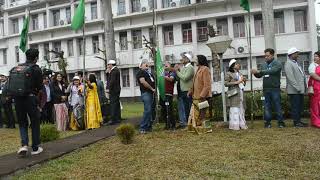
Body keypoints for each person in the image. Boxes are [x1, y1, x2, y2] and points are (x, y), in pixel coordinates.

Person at [15, 48, 43, 156]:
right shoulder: (36, 69)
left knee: (22, 123)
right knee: (35, 122)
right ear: (36, 58)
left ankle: (24, 145)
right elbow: (40, 87)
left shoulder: (19, 67)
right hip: (30, 98)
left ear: (26, 57)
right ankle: (35, 147)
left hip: (18, 99)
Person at [251, 48, 285, 128]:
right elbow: (259, 75)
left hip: (275, 89)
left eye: (267, 56)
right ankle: (267, 123)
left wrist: (260, 71)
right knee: (266, 106)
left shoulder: (277, 63)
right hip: (266, 89)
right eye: (265, 56)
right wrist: (255, 73)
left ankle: (280, 122)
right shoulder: (263, 65)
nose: (266, 57)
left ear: (272, 55)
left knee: (277, 105)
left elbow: (273, 71)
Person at [187, 55, 212, 132]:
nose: (195, 61)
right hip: (196, 96)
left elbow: (207, 85)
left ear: (200, 60)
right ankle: (197, 128)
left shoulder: (205, 69)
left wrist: (202, 95)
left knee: (203, 114)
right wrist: (190, 91)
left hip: (202, 97)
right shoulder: (198, 69)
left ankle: (206, 129)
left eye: (196, 59)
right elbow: (195, 83)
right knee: (196, 114)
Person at [284, 47, 308, 127]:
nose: (298, 55)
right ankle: (296, 122)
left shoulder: (296, 63)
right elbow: (291, 78)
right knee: (295, 106)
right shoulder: (288, 63)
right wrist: (298, 88)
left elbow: (301, 76)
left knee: (299, 106)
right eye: (296, 53)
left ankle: (299, 121)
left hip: (299, 90)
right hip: (294, 90)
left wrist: (304, 88)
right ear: (292, 54)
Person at [225, 59, 247, 130]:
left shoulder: (240, 74)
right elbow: (226, 83)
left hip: (240, 92)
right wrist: (237, 82)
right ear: (233, 65)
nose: (239, 65)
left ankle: (242, 124)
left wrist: (244, 81)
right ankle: (235, 125)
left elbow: (243, 84)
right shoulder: (228, 73)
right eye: (237, 64)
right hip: (233, 93)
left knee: (241, 108)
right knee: (234, 108)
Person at [174, 53, 194, 128]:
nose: (182, 59)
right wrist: (177, 70)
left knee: (189, 108)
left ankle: (192, 123)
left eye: (184, 58)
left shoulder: (190, 67)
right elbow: (180, 77)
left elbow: (185, 78)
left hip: (188, 90)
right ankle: (189, 124)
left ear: (188, 59)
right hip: (183, 91)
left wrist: (177, 71)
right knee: (186, 108)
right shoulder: (184, 67)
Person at [136, 60, 155, 134]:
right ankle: (143, 127)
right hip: (146, 93)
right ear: (140, 66)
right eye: (144, 63)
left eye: (147, 63)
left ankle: (148, 126)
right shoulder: (141, 72)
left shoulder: (149, 73)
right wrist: (152, 88)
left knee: (151, 111)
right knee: (148, 110)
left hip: (151, 93)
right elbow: (143, 81)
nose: (146, 64)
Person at [160, 61, 176, 130]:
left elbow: (171, 79)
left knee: (169, 109)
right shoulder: (163, 73)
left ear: (170, 66)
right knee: (163, 110)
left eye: (166, 65)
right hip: (162, 94)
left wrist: (164, 76)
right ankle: (167, 124)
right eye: (164, 65)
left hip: (168, 94)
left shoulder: (172, 72)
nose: (165, 66)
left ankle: (172, 125)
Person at [106, 60, 121, 125]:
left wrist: (108, 88)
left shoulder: (114, 71)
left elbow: (112, 81)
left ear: (111, 64)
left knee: (113, 104)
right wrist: (108, 73)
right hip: (116, 89)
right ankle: (117, 118)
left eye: (108, 64)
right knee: (116, 104)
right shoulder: (115, 70)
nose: (108, 66)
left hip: (114, 90)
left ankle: (113, 119)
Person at [308, 51, 320, 128]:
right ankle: (316, 122)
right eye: (314, 56)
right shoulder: (312, 65)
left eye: (316, 56)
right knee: (315, 105)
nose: (315, 57)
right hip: (315, 86)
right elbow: (313, 74)